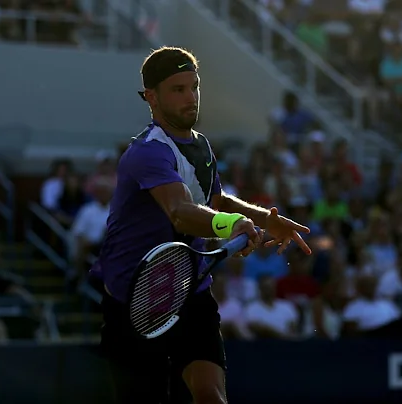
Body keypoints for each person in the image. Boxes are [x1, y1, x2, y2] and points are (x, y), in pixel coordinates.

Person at [91, 46, 312, 404]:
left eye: (193, 87)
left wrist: (264, 220)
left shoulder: (201, 145)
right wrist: (232, 224)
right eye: (177, 89)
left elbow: (215, 200)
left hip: (188, 292)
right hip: (134, 304)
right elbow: (180, 210)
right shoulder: (148, 152)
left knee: (210, 396)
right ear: (152, 97)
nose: (190, 97)